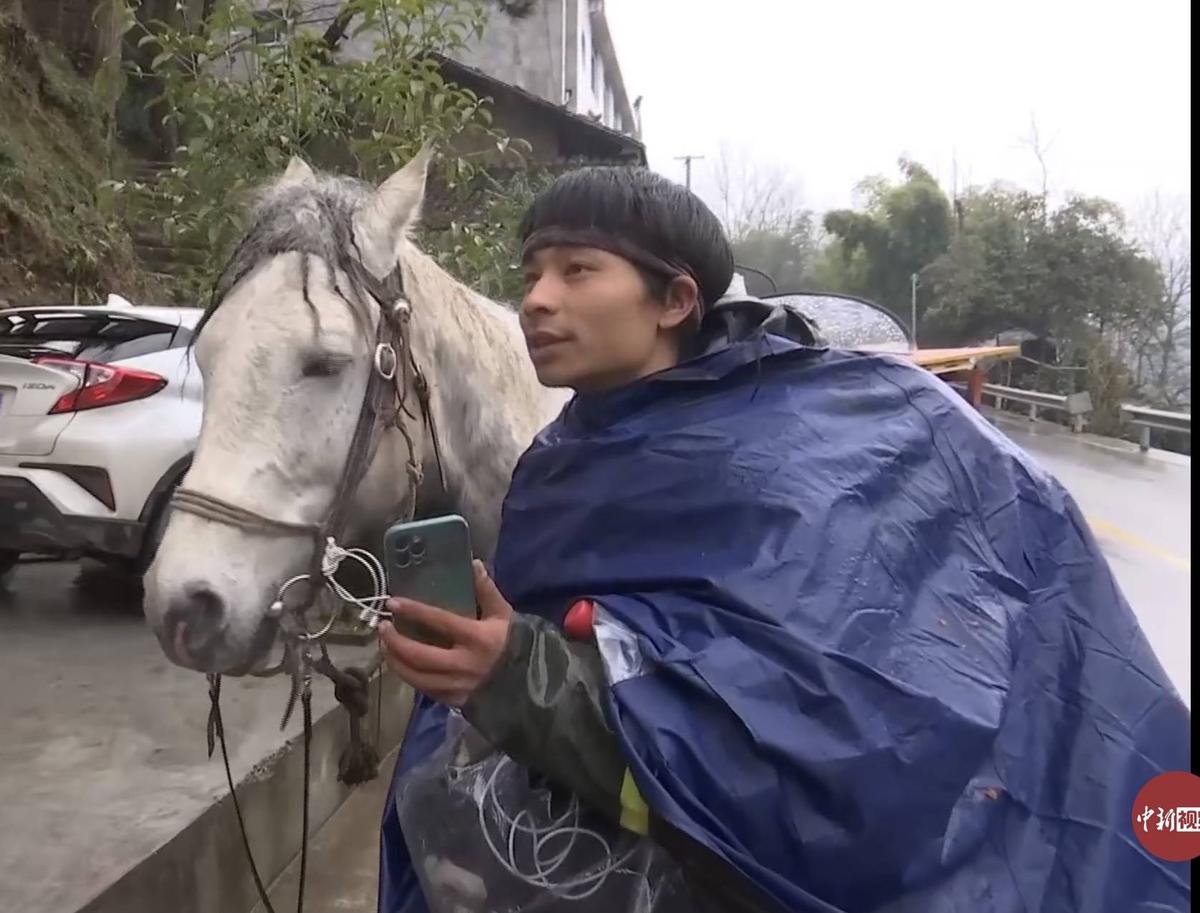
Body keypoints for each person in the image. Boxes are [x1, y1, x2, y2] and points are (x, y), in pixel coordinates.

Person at [375, 167, 1189, 913]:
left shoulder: (856, 421)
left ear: (675, 300)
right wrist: (491, 668)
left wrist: (521, 674)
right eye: (530, 275)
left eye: (577, 271)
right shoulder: (558, 467)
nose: (537, 300)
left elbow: (832, 735)